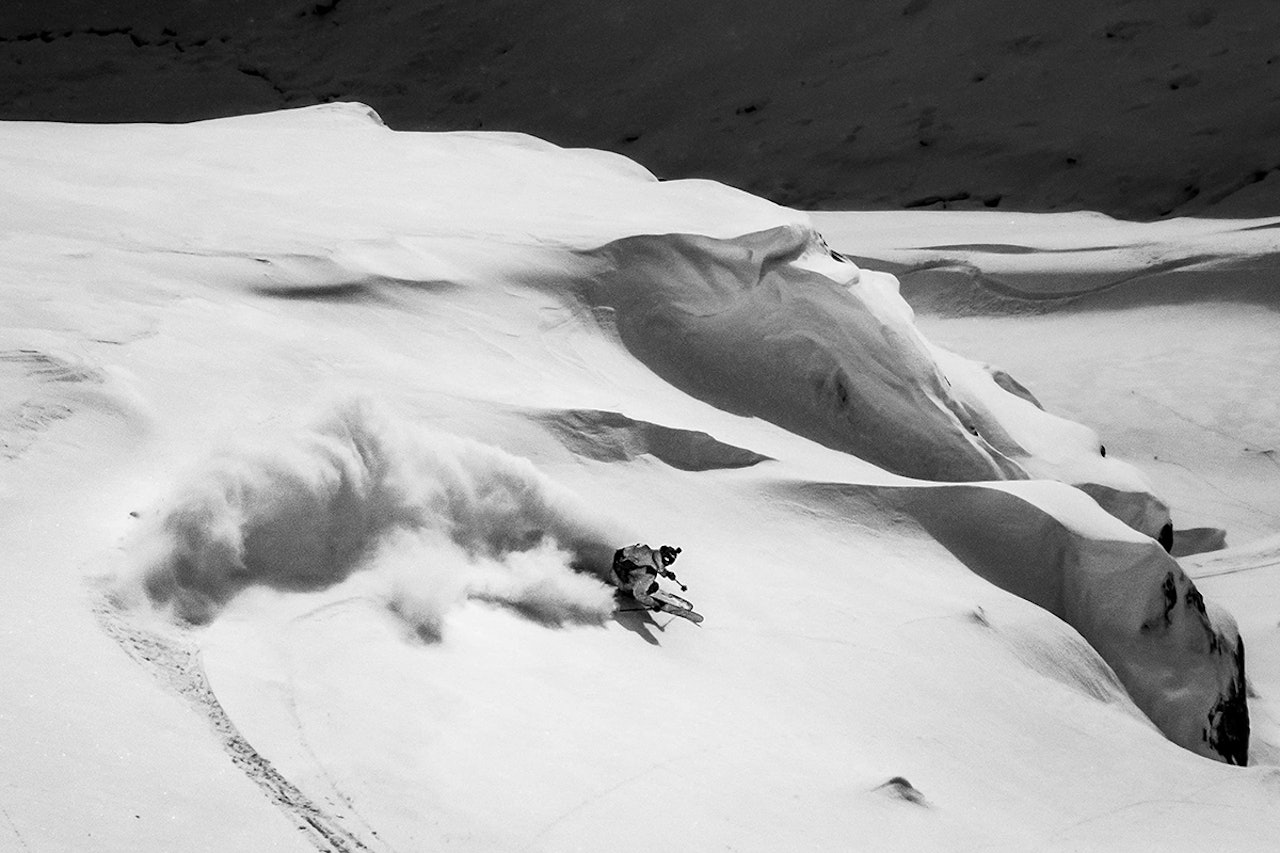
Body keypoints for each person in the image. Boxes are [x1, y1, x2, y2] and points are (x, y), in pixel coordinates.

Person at [612, 543, 684, 610]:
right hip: (622, 583)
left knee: (644, 576)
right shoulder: (650, 573)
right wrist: (654, 604)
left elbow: (621, 552)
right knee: (653, 587)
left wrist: (667, 573)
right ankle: (627, 591)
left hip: (616, 570)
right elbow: (638, 594)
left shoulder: (646, 551)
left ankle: (629, 583)